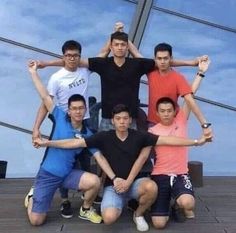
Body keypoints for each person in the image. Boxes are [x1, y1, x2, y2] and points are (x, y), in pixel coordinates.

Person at [34, 104, 210, 231]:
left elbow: (168, 140)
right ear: (113, 121)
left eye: (125, 118)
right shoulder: (103, 137)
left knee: (151, 187)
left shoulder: (140, 136)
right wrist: (47, 142)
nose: (122, 122)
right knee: (109, 218)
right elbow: (74, 142)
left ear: (130, 120)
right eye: (118, 119)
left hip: (134, 183)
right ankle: (123, 204)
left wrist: (196, 142)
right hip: (113, 186)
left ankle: (138, 214)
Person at [25, 61, 116, 226]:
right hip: (48, 175)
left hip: (67, 176)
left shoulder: (88, 134)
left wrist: (114, 178)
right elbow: (45, 96)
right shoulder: (59, 117)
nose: (78, 111)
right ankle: (32, 197)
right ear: (69, 110)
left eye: (81, 108)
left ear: (85, 109)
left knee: (94, 181)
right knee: (36, 221)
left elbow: (100, 157)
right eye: (74, 108)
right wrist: (33, 73)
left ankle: (86, 209)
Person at [149, 59, 210, 229]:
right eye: (163, 111)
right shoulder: (152, 132)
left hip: (180, 175)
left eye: (169, 110)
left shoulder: (181, 121)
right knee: (159, 224)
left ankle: (178, 203)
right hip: (160, 175)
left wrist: (200, 73)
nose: (166, 114)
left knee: (188, 203)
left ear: (174, 111)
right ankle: (166, 203)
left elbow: (190, 94)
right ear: (157, 113)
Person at [129, 41, 212, 139]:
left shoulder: (178, 78)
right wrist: (121, 35)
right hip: (152, 124)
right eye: (159, 58)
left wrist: (204, 124)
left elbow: (189, 100)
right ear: (155, 59)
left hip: (171, 126)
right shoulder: (151, 71)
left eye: (165, 58)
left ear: (171, 59)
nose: (162, 61)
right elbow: (136, 54)